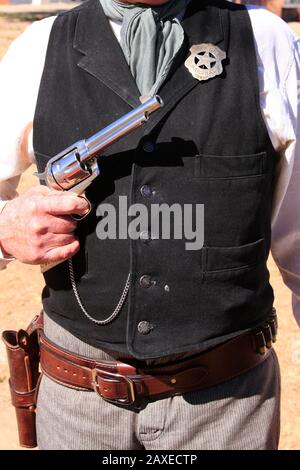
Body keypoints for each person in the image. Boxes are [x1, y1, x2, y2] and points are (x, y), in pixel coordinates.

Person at [0, 0, 299, 451]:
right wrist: (5, 228)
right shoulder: (37, 46)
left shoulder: (266, 40)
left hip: (228, 401)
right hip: (77, 400)